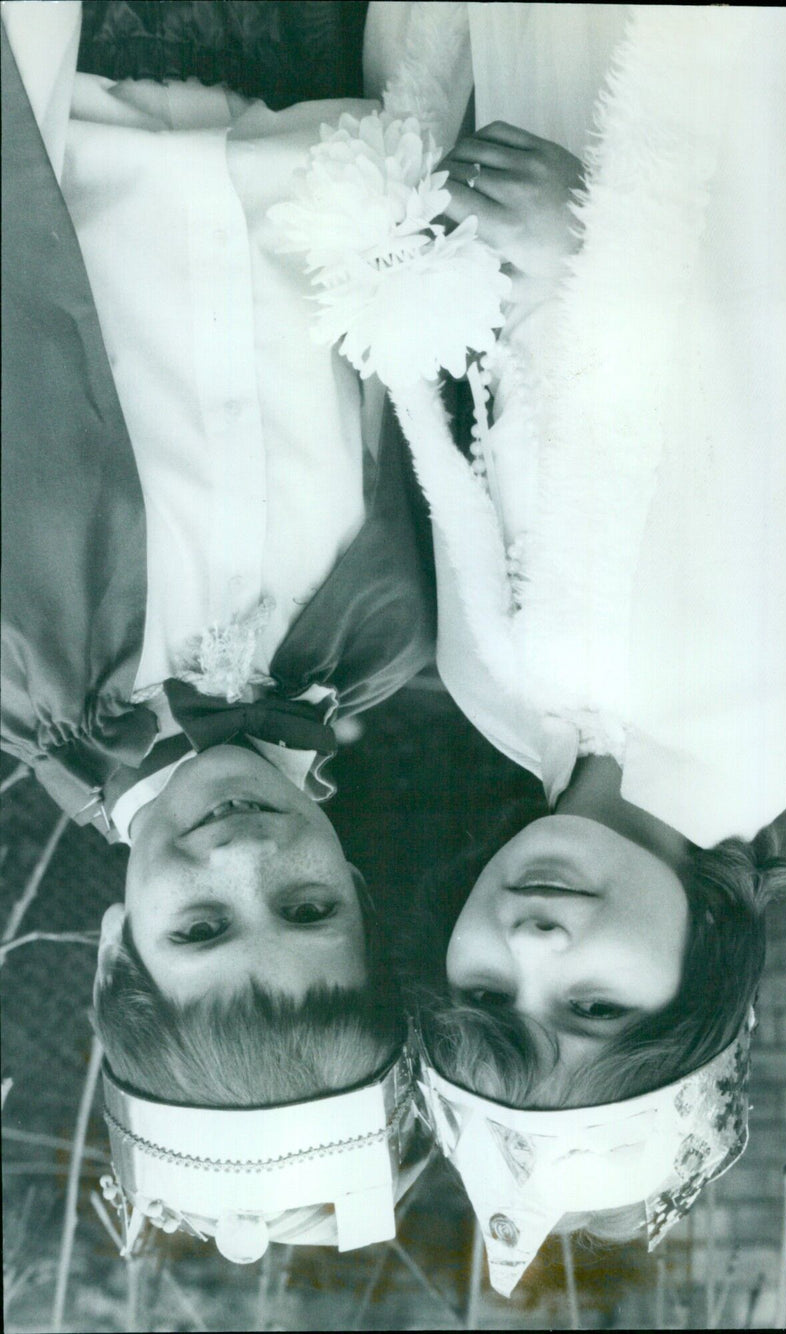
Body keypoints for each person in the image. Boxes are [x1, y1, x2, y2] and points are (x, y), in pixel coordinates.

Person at [356, 1, 786, 1293]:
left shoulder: (495, 700)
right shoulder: (767, 714)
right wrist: (604, 252)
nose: (536, 949)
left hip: (538, 70)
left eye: (487, 996)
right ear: (708, 964)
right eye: (598, 1005)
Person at [1, 0, 434, 1257]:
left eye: (199, 927)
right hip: (319, 57)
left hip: (64, 61)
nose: (248, 859)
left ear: (114, 948)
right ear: (354, 888)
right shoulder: (390, 643)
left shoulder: (24, 662)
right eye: (306, 908)